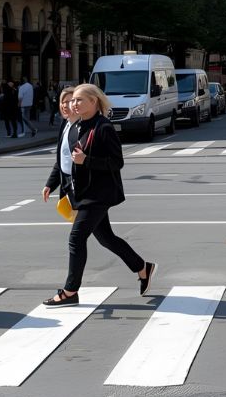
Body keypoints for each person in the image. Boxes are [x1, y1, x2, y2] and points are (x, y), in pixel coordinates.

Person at [41, 84, 155, 307]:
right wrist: (54, 184)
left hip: (98, 195)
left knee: (76, 239)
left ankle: (70, 291)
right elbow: (66, 160)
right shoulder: (77, 126)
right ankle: (143, 268)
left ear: (94, 101)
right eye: (73, 100)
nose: (74, 104)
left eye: (79, 100)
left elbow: (116, 162)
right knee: (106, 238)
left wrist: (87, 161)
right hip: (83, 193)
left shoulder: (104, 127)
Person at [42, 86, 78, 210]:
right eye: (62, 102)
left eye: (69, 101)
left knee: (79, 228)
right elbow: (62, 159)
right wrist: (50, 184)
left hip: (81, 187)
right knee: (101, 229)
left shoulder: (83, 127)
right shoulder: (66, 124)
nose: (64, 105)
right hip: (68, 184)